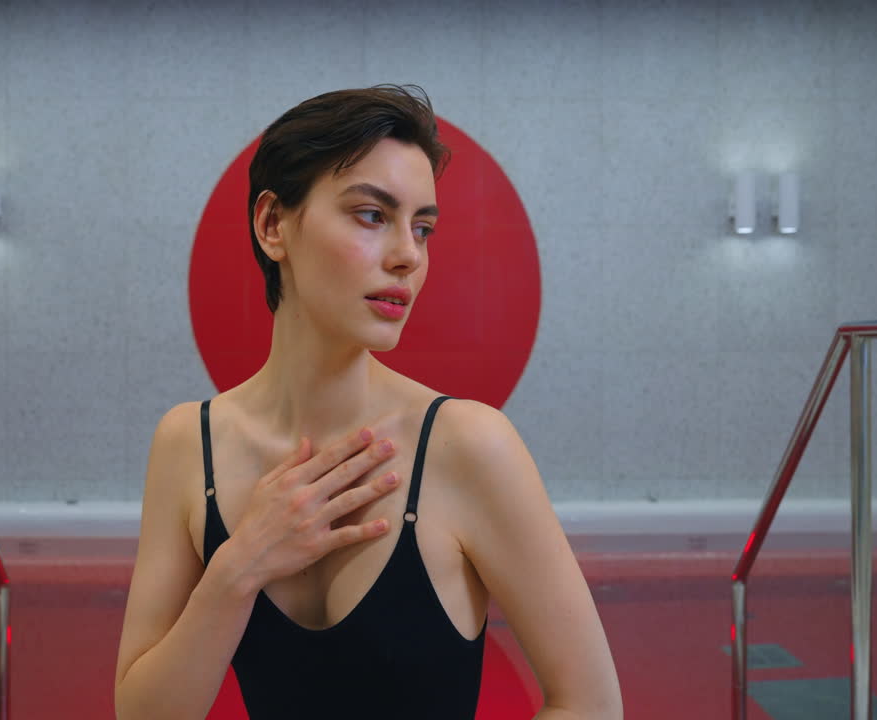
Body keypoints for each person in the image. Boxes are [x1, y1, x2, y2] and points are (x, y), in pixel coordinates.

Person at [114, 85, 621, 720]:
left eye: (423, 227)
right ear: (274, 225)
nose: (409, 255)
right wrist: (240, 566)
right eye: (372, 215)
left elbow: (591, 704)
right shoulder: (190, 443)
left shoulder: (469, 445)